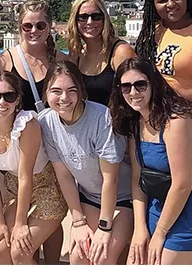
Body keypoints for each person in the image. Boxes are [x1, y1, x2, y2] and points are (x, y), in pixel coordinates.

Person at [109, 57, 192, 265]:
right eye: (126, 87)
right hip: (163, 201)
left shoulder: (176, 122)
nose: (133, 93)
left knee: (158, 263)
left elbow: (182, 184)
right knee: (136, 261)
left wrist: (159, 234)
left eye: (140, 85)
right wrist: (140, 229)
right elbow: (138, 177)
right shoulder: (136, 122)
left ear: (153, 84)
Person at [0, 0, 68, 263]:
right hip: (22, 159)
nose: (34, 30)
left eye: (40, 25)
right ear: (19, 27)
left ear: (50, 27)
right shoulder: (4, 61)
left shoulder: (62, 60)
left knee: (51, 238)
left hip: (55, 158)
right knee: (13, 247)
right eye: (27, 25)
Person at [38, 61, 134, 265]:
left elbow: (111, 178)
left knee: (102, 257)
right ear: (46, 92)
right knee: (79, 257)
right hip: (89, 197)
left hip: (124, 199)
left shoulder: (102, 118)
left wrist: (105, 227)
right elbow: (63, 175)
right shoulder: (46, 122)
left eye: (71, 90)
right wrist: (79, 221)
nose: (64, 98)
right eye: (56, 91)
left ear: (81, 91)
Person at [0, 71, 68, 265]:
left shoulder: (26, 124)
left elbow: (25, 176)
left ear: (18, 100)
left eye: (9, 96)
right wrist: (1, 223)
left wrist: (20, 223)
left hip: (48, 187)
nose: (2, 103)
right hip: (14, 188)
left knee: (20, 252)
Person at [66, 0, 136, 106]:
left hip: (118, 121)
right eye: (83, 17)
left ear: (104, 19)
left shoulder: (120, 51)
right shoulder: (76, 55)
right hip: (89, 122)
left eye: (96, 17)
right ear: (75, 21)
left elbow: (136, 92)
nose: (89, 22)